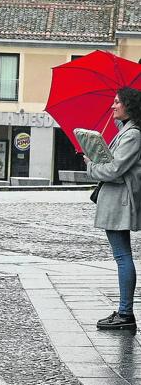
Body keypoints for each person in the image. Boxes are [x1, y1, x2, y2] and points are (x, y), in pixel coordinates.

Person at [84, 87, 141, 330]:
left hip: (120, 202)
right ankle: (124, 311)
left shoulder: (132, 136)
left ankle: (126, 313)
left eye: (117, 102)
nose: (113, 106)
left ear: (129, 106)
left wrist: (91, 167)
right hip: (116, 200)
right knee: (121, 255)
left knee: (122, 256)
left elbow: (115, 171)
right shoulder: (124, 132)